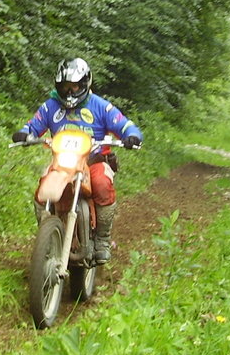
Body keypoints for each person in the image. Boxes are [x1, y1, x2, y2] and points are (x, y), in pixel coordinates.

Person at [12, 57, 142, 264]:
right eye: (65, 86)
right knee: (43, 190)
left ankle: (102, 239)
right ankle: (47, 237)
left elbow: (125, 125)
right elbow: (33, 125)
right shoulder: (50, 107)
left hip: (94, 160)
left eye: (74, 86)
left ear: (84, 84)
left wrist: (132, 136)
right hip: (62, 163)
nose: (70, 91)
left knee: (102, 184)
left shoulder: (101, 106)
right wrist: (24, 134)